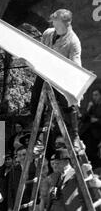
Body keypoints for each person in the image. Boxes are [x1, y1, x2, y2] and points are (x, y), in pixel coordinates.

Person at [31, 8, 82, 149]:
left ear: (68, 24)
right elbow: (40, 51)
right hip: (44, 72)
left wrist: (76, 85)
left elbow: (76, 63)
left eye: (58, 25)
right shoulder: (48, 33)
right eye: (54, 24)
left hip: (61, 76)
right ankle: (39, 135)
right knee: (35, 100)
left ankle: (75, 135)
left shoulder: (73, 42)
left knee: (67, 103)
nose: (55, 27)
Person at [80, 88, 101, 168]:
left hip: (97, 135)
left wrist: (97, 120)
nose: (94, 97)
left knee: (94, 155)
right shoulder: (92, 106)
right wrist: (88, 108)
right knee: (86, 154)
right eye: (93, 95)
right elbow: (83, 119)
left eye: (96, 95)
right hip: (87, 134)